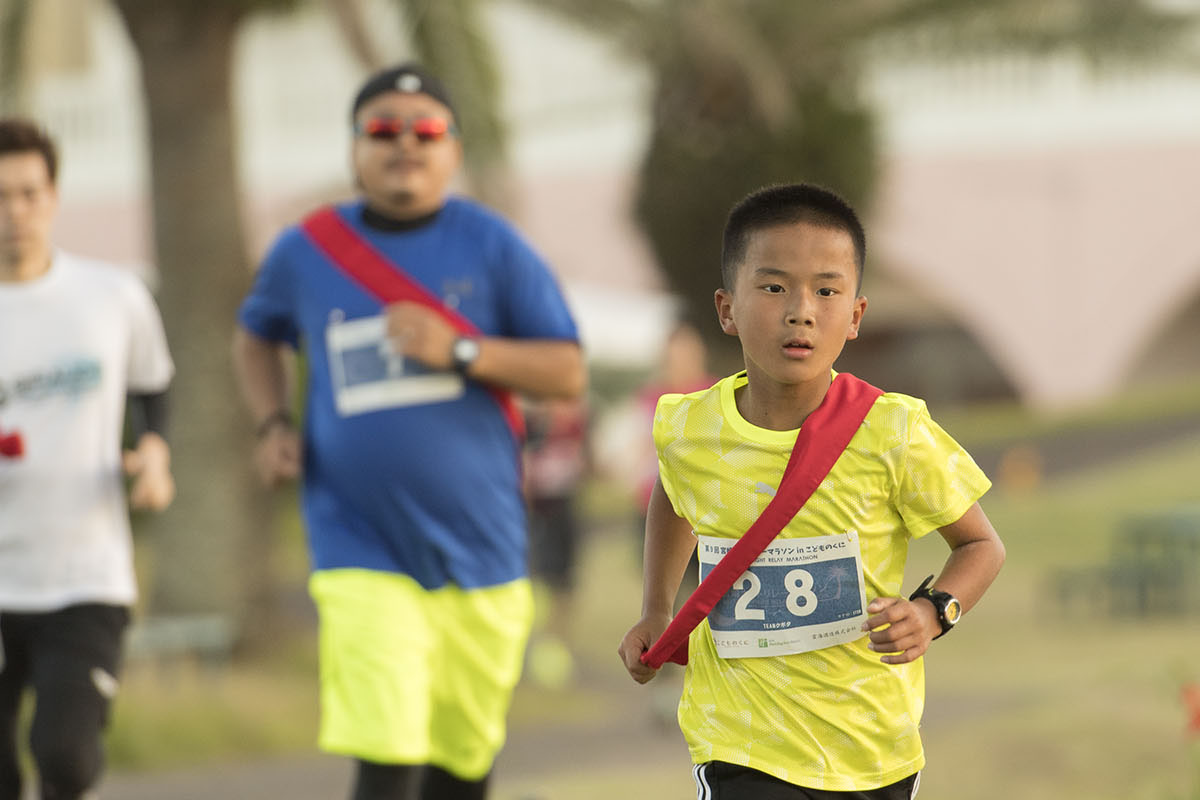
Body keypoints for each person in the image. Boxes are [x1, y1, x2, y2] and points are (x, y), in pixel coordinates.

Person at [232, 64, 585, 800]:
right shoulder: (307, 250)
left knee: (462, 765)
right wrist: (271, 421)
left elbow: (567, 370)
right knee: (387, 756)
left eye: (425, 129)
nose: (405, 144)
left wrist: (461, 349)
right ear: (354, 146)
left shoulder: (495, 245)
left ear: (453, 148)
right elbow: (254, 335)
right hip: (358, 545)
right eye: (383, 129)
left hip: (481, 550)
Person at [618, 183, 1005, 798]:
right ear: (726, 308)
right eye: (773, 287)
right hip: (741, 743)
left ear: (855, 316)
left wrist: (934, 612)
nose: (801, 310)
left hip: (872, 746)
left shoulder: (894, 432)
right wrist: (657, 609)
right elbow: (672, 492)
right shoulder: (688, 427)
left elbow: (981, 545)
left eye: (827, 291)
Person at [0, 118, 176, 800]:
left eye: (28, 193)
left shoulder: (111, 297)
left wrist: (155, 451)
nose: (14, 212)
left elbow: (153, 384)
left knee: (66, 757)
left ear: (54, 196)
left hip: (84, 574)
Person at [521, 396, 589, 689]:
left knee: (565, 583)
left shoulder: (579, 425)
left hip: (567, 510)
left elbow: (589, 465)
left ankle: (559, 646)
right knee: (541, 582)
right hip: (539, 513)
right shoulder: (531, 427)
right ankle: (539, 649)